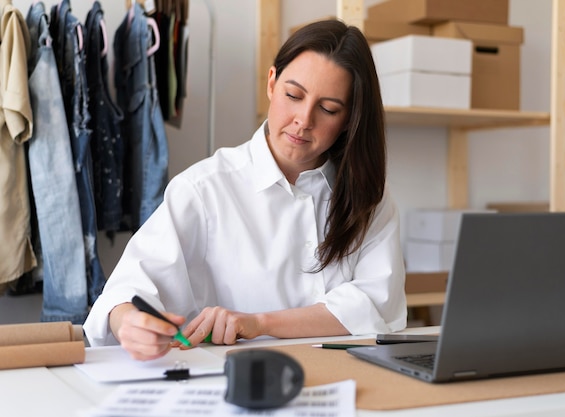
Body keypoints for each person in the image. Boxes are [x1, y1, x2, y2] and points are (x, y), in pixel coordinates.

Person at [83, 19, 407, 361]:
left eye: (328, 109)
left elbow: (377, 301)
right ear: (271, 83)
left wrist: (259, 322)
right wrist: (130, 322)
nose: (303, 119)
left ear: (350, 118)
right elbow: (125, 292)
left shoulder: (370, 197)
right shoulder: (204, 189)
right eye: (293, 95)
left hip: (348, 380)